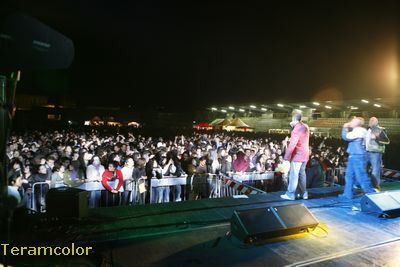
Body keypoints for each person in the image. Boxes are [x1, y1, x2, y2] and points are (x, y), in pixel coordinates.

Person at [339, 117, 375, 200]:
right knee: (349, 175)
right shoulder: (361, 130)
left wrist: (345, 128)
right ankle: (347, 194)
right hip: (354, 155)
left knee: (361, 176)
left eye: (352, 121)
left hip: (357, 156)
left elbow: (346, 137)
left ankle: (371, 194)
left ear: (357, 123)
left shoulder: (359, 131)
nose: (350, 122)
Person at [281, 110, 310, 201]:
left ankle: (290, 194)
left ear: (293, 119)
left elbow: (292, 145)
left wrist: (286, 158)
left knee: (294, 175)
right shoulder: (305, 126)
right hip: (305, 155)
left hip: (298, 156)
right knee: (302, 174)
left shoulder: (296, 129)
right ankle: (304, 193)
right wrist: (293, 126)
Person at [365, 117, 390, 190]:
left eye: (373, 120)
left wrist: (377, 138)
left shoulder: (380, 129)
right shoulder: (367, 130)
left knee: (375, 170)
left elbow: (387, 141)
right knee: (364, 169)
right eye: (370, 120)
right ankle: (366, 186)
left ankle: (375, 187)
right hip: (366, 152)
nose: (371, 121)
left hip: (375, 153)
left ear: (377, 122)